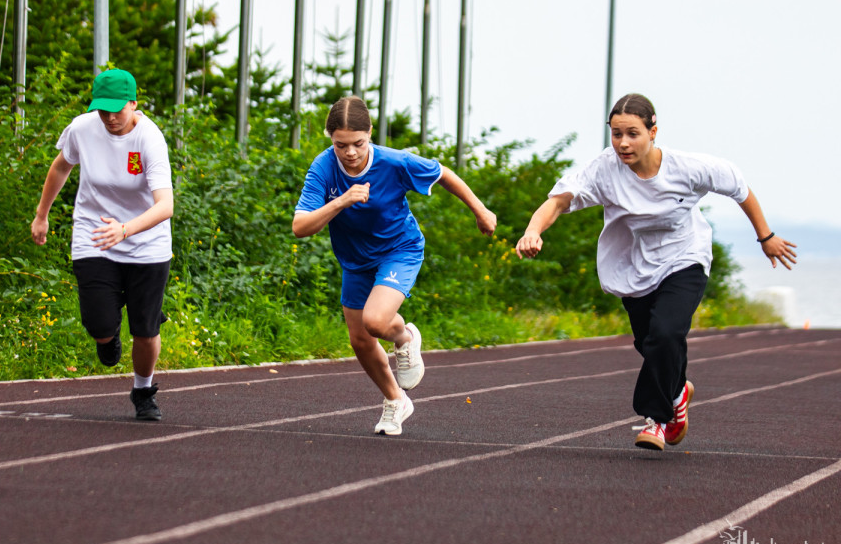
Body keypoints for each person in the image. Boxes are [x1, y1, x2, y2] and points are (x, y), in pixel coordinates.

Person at [514, 93, 796, 451]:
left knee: (666, 333)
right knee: (651, 344)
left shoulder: (688, 167)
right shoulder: (603, 169)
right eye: (616, 134)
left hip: (685, 258)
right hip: (635, 266)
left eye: (632, 133)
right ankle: (678, 392)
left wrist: (765, 236)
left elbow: (740, 188)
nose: (623, 143)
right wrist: (533, 231)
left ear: (653, 132)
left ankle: (657, 420)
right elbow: (558, 201)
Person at [293, 96, 497, 436]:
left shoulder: (394, 162)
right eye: (340, 145)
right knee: (359, 339)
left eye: (358, 143)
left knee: (375, 321)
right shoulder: (323, 168)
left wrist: (480, 210)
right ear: (331, 139)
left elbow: (443, 174)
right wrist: (341, 201)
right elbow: (301, 226)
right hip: (356, 260)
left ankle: (403, 336)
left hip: (398, 249)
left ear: (370, 134)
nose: (351, 153)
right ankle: (395, 401)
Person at [31, 68, 174, 421]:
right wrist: (41, 215)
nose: (110, 117)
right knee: (98, 325)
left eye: (117, 110)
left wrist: (125, 230)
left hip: (145, 243)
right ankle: (108, 333)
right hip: (94, 237)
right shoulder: (82, 128)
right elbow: (61, 167)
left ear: (133, 103)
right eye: (102, 109)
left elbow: (165, 206)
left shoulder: (150, 140)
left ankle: (143, 391)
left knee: (145, 331)